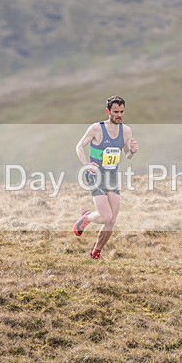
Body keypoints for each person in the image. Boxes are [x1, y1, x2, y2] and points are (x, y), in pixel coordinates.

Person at [73, 95, 138, 259]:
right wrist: (87, 164)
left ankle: (96, 252)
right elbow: (79, 146)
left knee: (112, 220)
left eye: (122, 112)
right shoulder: (97, 129)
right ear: (108, 111)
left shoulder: (126, 131)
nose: (119, 115)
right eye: (116, 112)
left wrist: (132, 151)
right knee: (105, 216)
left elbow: (127, 155)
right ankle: (86, 218)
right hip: (96, 175)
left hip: (112, 176)